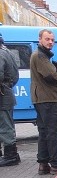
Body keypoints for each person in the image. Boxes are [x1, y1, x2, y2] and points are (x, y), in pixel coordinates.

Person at [30, 29, 57, 174]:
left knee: (44, 131)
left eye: (52, 40)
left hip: (41, 99)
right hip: (48, 99)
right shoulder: (40, 56)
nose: (50, 42)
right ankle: (56, 164)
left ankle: (43, 164)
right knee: (53, 131)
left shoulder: (41, 55)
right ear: (40, 40)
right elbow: (53, 76)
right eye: (47, 39)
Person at [0, 33, 20, 167]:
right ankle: (10, 154)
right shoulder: (6, 51)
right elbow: (15, 76)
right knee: (6, 124)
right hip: (6, 92)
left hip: (2, 94)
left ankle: (10, 155)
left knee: (5, 125)